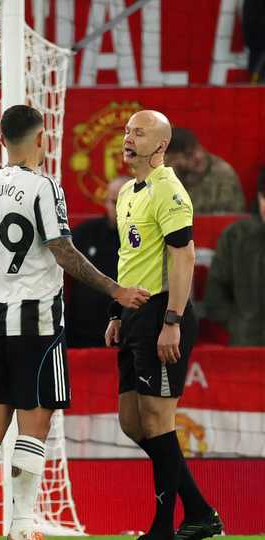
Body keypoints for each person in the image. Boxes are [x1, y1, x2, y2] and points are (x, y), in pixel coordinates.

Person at [0, 105, 149, 540]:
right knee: (35, 426)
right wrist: (115, 290)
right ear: (41, 139)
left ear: (1, 139)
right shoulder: (45, 187)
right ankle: (22, 527)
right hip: (37, 323)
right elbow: (63, 251)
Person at [105, 110, 223, 539]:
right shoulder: (127, 191)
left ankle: (162, 529)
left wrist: (171, 320)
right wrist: (117, 312)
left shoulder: (169, 190)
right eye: (127, 131)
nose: (128, 138)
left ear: (161, 145)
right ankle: (200, 512)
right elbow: (128, 256)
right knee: (132, 422)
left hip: (162, 312)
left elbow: (183, 256)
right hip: (134, 313)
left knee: (158, 422)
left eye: (139, 133)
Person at [204, 168, 265, 346]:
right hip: (247, 346)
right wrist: (240, 325)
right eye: (264, 197)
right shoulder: (235, 237)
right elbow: (214, 298)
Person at [66, 177, 126, 348]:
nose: (119, 209)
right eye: (114, 202)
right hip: (83, 335)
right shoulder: (85, 233)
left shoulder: (148, 240)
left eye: (125, 202)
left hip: (128, 335)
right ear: (106, 202)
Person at [163, 127, 245, 214]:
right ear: (171, 160)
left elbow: (231, 217)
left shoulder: (222, 174)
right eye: (188, 155)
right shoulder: (166, 177)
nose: (198, 156)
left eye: (197, 148)